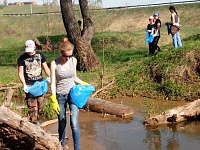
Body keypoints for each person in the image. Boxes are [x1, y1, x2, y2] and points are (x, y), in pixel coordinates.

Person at [50, 37, 89, 150]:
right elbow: (53, 83)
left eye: (70, 56)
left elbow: (74, 77)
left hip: (73, 95)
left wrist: (84, 84)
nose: (68, 58)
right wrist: (53, 99)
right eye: (65, 56)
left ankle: (77, 148)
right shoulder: (54, 63)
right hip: (60, 96)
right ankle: (61, 146)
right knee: (62, 123)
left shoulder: (74, 61)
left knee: (74, 123)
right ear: (61, 53)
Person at [17, 40, 50, 124]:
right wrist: (24, 84)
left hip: (39, 84)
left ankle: (38, 119)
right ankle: (33, 123)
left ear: (35, 47)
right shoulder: (22, 58)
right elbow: (20, 73)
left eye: (31, 50)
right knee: (32, 107)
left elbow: (46, 68)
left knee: (41, 105)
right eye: (28, 50)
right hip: (29, 86)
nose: (29, 53)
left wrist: (51, 77)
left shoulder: (40, 56)